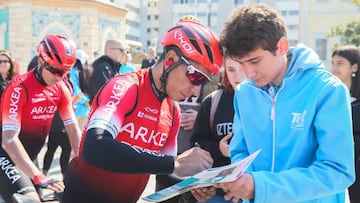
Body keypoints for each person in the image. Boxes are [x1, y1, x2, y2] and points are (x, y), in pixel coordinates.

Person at [192, 4, 355, 203]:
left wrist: (261, 186)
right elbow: (239, 150)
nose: (248, 73)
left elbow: (338, 171)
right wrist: (241, 182)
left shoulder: (327, 90)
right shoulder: (244, 92)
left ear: (282, 47)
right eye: (240, 63)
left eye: (255, 61)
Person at [62, 19, 223, 203]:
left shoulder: (172, 110)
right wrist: (174, 163)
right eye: (196, 76)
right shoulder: (125, 87)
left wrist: (192, 185)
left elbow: (164, 174)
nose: (196, 90)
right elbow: (94, 147)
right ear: (171, 59)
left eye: (203, 83)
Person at [0, 34, 82, 203]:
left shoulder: (60, 88)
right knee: (30, 200)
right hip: (5, 154)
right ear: (40, 62)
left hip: (29, 156)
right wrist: (37, 175)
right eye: (56, 70)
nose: (60, 77)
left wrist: (84, 164)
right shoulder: (18, 88)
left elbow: (73, 129)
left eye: (66, 72)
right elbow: (9, 139)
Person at [190, 55, 245, 203]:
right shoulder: (213, 101)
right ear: (224, 70)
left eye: (242, 68)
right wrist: (218, 149)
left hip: (251, 190)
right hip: (216, 193)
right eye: (231, 69)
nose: (237, 76)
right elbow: (196, 143)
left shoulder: (264, 101)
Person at [330, 45, 360, 203]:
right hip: (336, 165)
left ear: (354, 66)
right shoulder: (330, 97)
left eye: (340, 63)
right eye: (332, 63)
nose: (334, 68)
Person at [88, 39, 126, 104]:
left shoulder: (111, 68)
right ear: (110, 51)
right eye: (122, 50)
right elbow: (103, 95)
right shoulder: (102, 68)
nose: (124, 53)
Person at [71, 49, 91, 130]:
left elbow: (75, 89)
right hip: (86, 109)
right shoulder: (87, 71)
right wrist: (87, 101)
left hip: (76, 107)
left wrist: (84, 100)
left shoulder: (72, 71)